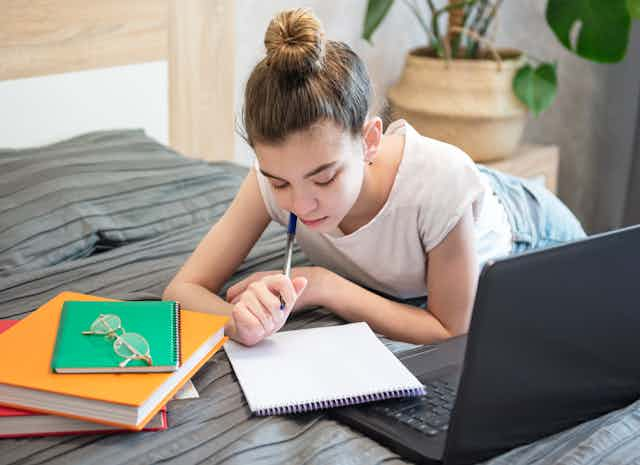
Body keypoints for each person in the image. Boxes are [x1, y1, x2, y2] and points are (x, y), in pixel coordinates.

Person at [163, 8, 586, 347]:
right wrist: (237, 322)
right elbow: (182, 290)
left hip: (525, 233)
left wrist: (327, 287)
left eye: (324, 179)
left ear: (368, 141)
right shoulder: (273, 183)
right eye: (279, 183)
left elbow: (450, 330)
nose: (300, 204)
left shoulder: (440, 184)